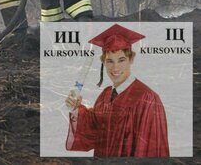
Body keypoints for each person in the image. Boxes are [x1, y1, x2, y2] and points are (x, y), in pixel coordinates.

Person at [65, 24, 170, 157]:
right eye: (110, 61)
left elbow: (150, 149)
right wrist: (75, 108)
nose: (115, 68)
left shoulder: (147, 98)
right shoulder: (105, 95)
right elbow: (93, 130)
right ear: (104, 62)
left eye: (121, 60)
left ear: (131, 59)